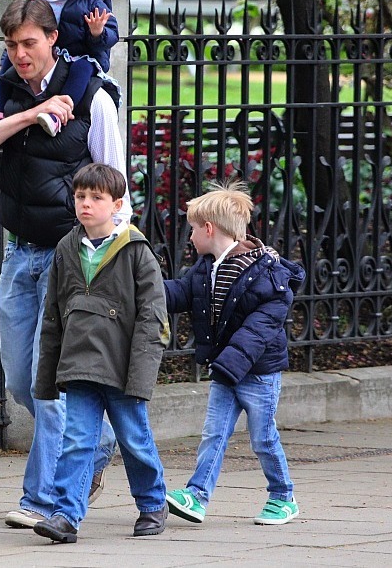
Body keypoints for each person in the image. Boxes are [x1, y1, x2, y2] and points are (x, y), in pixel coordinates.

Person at [0, 0, 130, 530]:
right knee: (19, 382)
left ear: (53, 38)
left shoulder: (91, 93)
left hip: (70, 255)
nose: (20, 54)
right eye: (12, 45)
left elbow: (116, 182)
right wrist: (29, 114)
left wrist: (109, 256)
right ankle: (96, 442)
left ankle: (43, 499)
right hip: (19, 252)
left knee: (48, 381)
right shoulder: (1, 86)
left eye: (29, 43)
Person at [33, 164, 169, 543]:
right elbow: (53, 317)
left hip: (122, 368)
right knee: (76, 440)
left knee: (134, 440)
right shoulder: (66, 249)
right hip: (78, 365)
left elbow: (153, 319)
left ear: (117, 204)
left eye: (96, 198)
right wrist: (46, 379)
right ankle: (65, 516)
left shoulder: (136, 251)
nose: (86, 204)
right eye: (80, 197)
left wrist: (141, 376)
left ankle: (152, 503)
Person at [162, 180, 306, 526]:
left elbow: (258, 331)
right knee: (214, 434)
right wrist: (146, 289)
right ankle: (197, 495)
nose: (190, 237)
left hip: (258, 374)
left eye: (193, 229)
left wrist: (229, 364)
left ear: (209, 229)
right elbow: (181, 293)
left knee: (263, 438)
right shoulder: (206, 267)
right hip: (226, 370)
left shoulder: (268, 275)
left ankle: (283, 497)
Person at [0, 0, 119, 137]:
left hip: (80, 55)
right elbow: (19, 33)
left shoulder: (91, 1)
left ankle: (57, 115)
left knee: (82, 69)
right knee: (9, 62)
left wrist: (97, 33)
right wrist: (4, 60)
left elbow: (112, 34)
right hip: (49, 56)